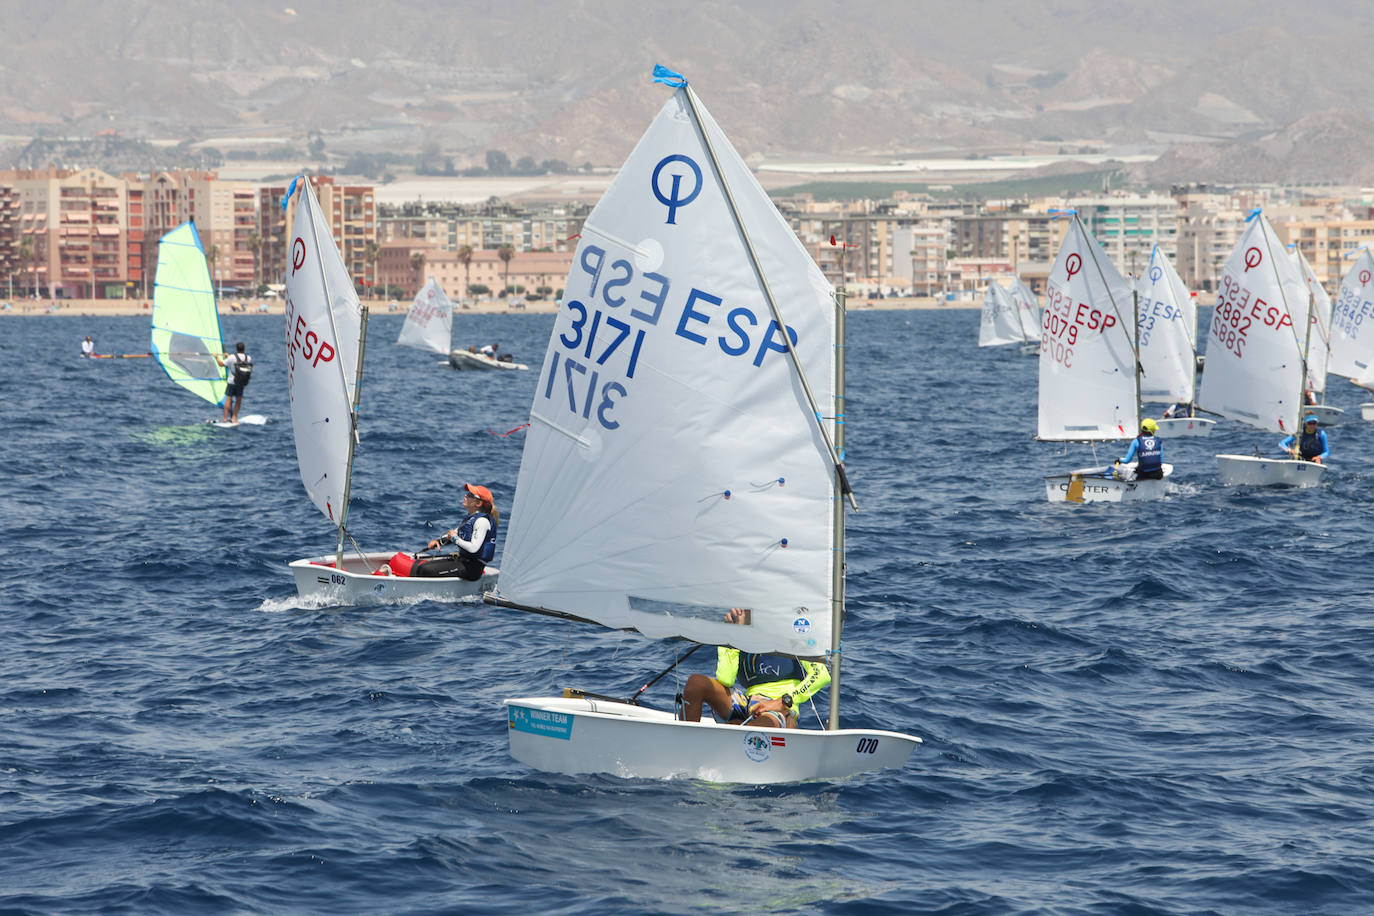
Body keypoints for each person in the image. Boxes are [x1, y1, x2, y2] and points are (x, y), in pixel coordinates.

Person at [680, 609, 831, 729]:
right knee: (696, 683)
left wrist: (785, 701)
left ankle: (738, 734)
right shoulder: (743, 631)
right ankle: (685, 744)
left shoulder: (795, 630)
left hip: (779, 708)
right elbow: (726, 679)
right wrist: (732, 635)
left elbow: (821, 675)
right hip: (747, 702)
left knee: (759, 725)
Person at [413, 483, 498, 580]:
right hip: (463, 561)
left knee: (425, 570)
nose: (466, 495)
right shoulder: (470, 519)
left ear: (478, 503)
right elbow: (454, 535)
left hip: (472, 569)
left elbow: (473, 548)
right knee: (421, 566)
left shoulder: (482, 521)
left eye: (470, 495)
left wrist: (455, 538)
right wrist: (438, 542)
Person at [216, 341, 253, 423]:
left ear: (236, 349)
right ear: (244, 349)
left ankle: (225, 419)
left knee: (228, 399)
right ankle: (234, 418)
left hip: (232, 382)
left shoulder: (232, 357)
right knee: (238, 400)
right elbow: (239, 361)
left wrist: (216, 357)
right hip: (241, 382)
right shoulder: (248, 358)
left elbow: (221, 364)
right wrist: (228, 356)